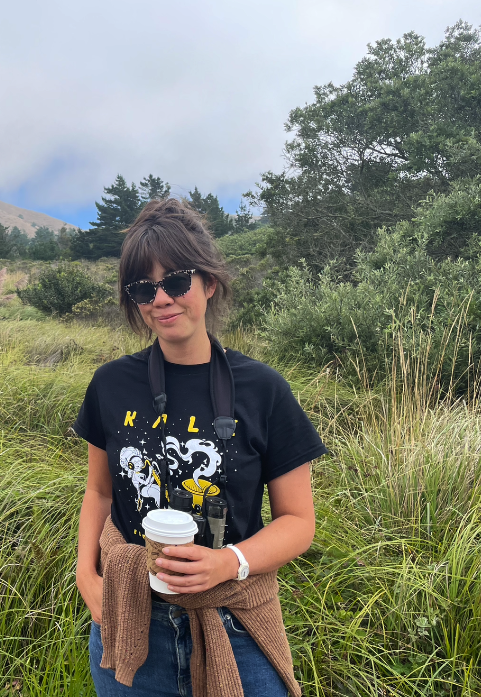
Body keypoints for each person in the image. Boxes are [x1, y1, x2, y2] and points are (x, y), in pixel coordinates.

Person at [73, 198, 327, 696]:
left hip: (236, 622)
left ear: (209, 283)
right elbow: (99, 495)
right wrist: (87, 575)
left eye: (176, 280)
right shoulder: (111, 384)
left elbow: (299, 522)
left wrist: (226, 562)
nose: (162, 298)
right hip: (130, 623)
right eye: (145, 288)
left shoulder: (263, 389)